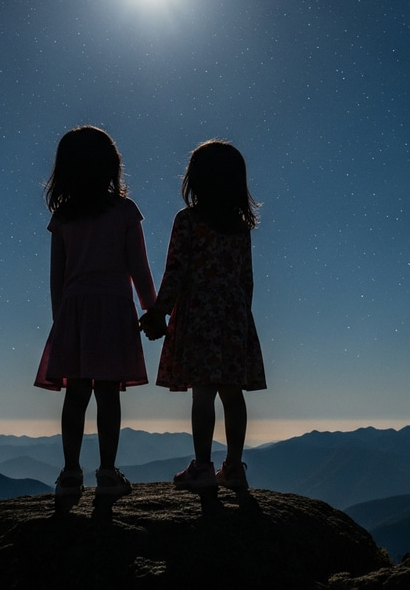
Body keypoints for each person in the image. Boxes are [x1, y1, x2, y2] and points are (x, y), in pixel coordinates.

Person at [35, 126, 157, 502]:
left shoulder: (63, 218)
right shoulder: (124, 212)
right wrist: (153, 311)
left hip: (74, 311)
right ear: (110, 166)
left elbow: (57, 277)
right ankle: (106, 472)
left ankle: (70, 474)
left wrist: (61, 323)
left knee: (75, 396)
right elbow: (139, 267)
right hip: (113, 309)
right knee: (108, 393)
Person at [140, 139, 266, 492]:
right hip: (235, 315)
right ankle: (234, 468)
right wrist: (242, 320)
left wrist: (159, 312)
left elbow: (176, 271)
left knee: (203, 394)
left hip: (199, 315)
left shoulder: (189, 221)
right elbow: (247, 278)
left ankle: (204, 467)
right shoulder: (240, 227)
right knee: (232, 392)